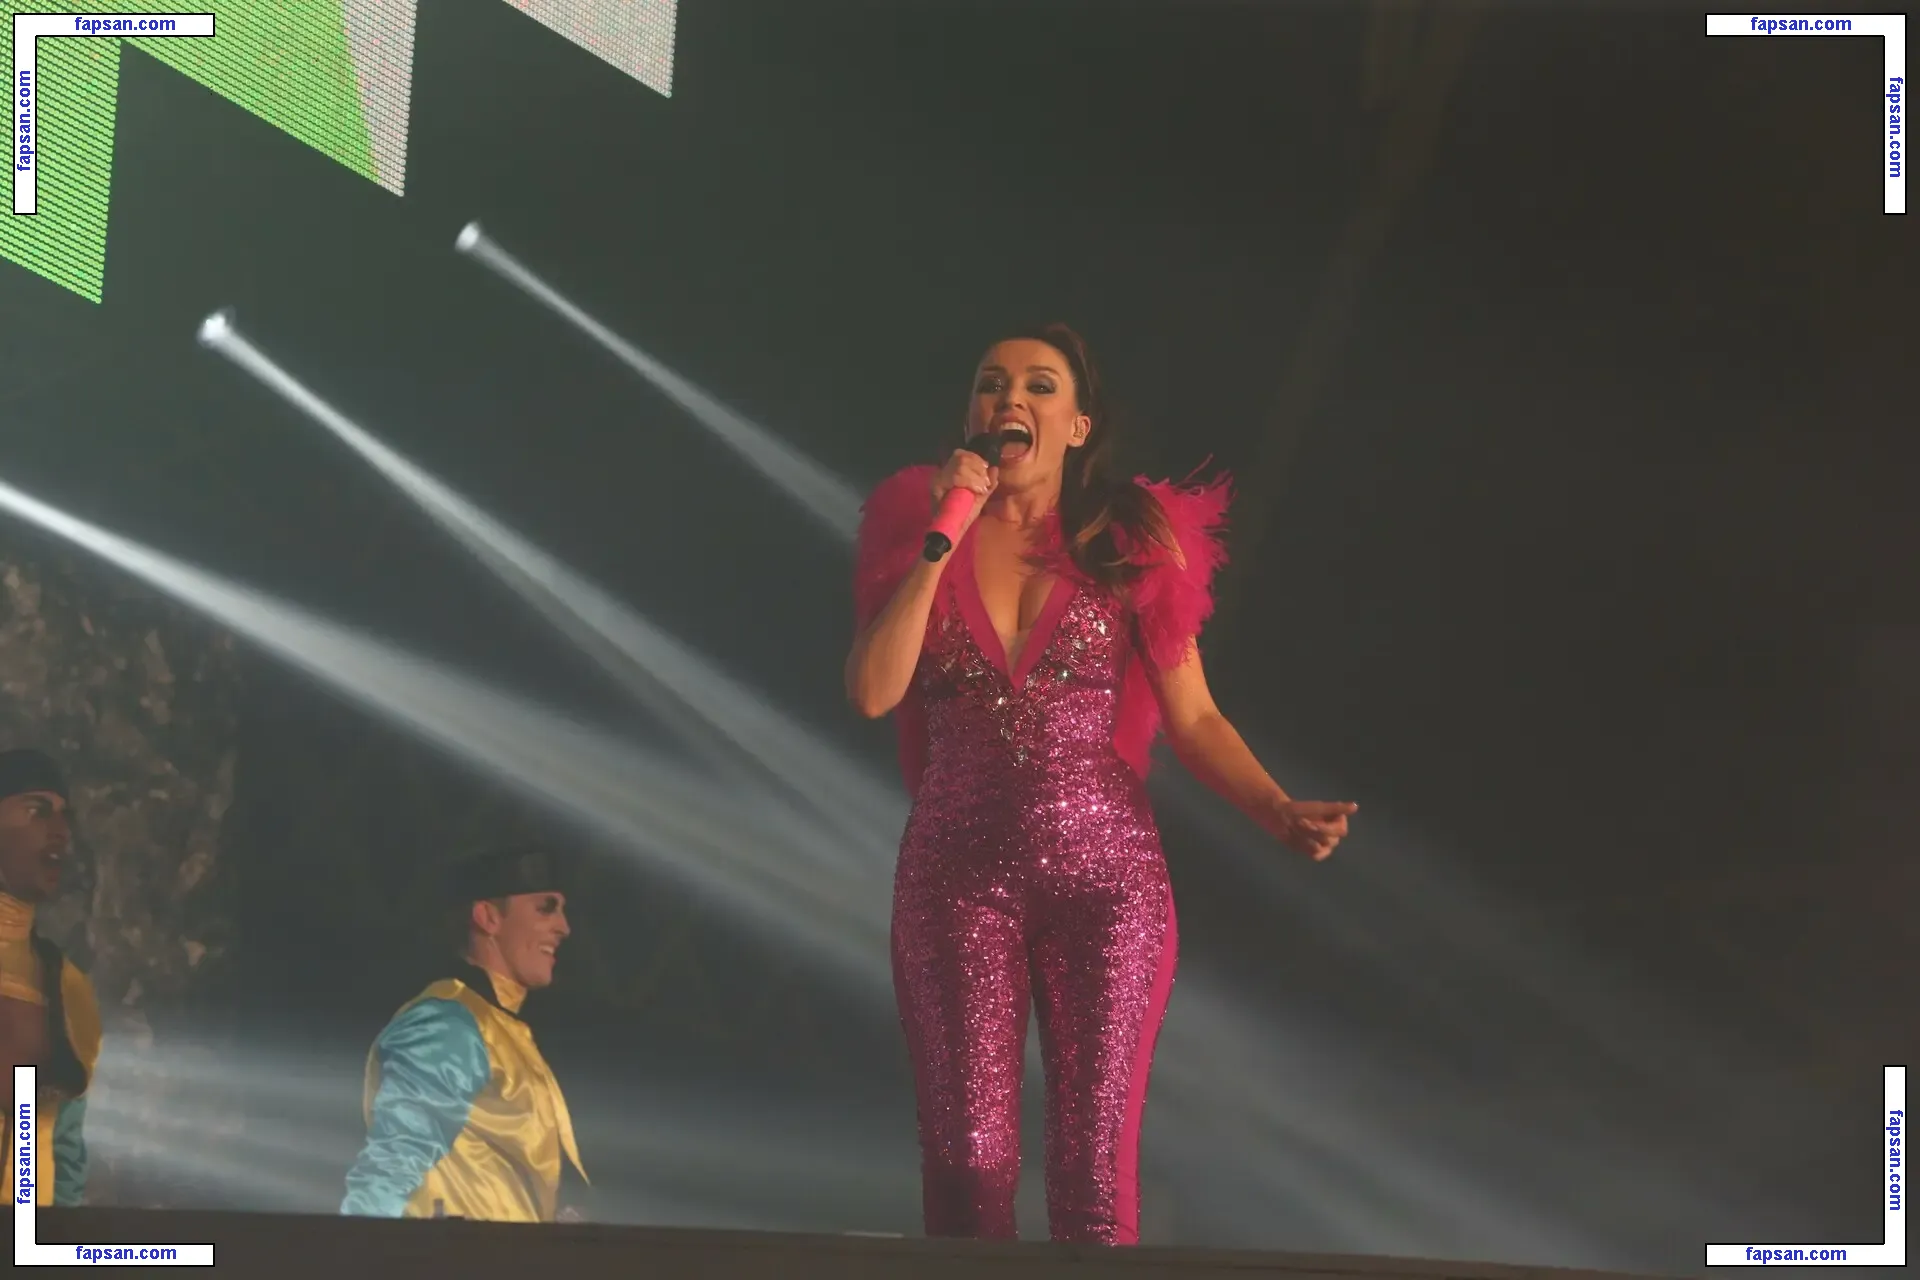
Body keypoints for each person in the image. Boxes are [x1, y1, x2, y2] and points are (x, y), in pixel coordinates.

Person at [846, 324, 1357, 1245]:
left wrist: (1275, 807)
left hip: (1107, 881)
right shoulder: (916, 524)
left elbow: (1194, 717)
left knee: (1090, 1175)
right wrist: (941, 536)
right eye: (991, 383)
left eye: (1039, 385)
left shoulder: (1126, 540)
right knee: (965, 1167)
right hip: (954, 877)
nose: (1010, 399)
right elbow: (875, 691)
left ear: (1078, 426)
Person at [341, 845, 586, 1222]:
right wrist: (354, 1250)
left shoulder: (499, 1028)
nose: (564, 927)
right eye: (546, 908)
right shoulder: (449, 1023)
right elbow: (391, 1166)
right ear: (488, 917)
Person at [0, 748, 102, 1206]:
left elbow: (65, 1154)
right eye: (37, 810)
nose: (60, 830)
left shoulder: (68, 988)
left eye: (64, 815)